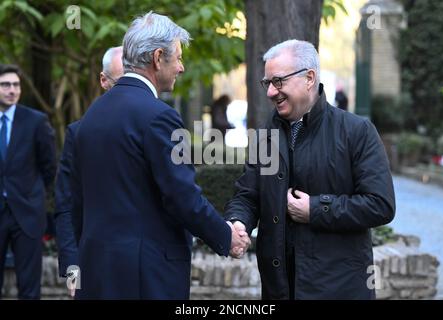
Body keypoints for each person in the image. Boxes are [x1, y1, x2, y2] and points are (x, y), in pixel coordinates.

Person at [70, 11, 250, 299]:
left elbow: (78, 200)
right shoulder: (159, 117)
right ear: (157, 58)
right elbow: (182, 196)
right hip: (144, 277)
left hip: (97, 272)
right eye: (177, 57)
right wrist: (225, 236)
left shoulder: (92, 114)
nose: (181, 67)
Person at [225, 40, 395, 299]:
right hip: (279, 289)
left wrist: (316, 209)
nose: (271, 92)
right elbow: (248, 196)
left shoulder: (357, 131)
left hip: (339, 290)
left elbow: (380, 204)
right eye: (267, 83)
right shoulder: (264, 137)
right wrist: (239, 222)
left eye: (278, 81)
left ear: (309, 78)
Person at [53, 46, 124, 297]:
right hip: (94, 268)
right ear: (104, 81)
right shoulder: (79, 133)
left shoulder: (156, 127)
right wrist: (73, 269)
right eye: (121, 81)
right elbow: (67, 206)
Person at [0, 64, 56, 299]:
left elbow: (49, 167)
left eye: (16, 85)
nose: (12, 90)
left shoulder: (36, 121)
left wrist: (33, 196)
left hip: (27, 214)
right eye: (5, 85)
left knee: (29, 287)